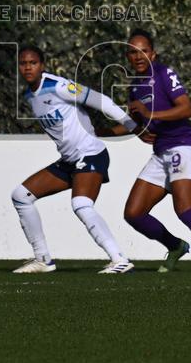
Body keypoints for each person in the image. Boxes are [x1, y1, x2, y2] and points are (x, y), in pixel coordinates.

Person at [99, 30, 191, 274]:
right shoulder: (135, 86)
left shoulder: (163, 73)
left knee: (186, 211)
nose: (138, 56)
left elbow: (186, 109)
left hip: (183, 146)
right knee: (134, 213)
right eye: (132, 52)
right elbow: (136, 124)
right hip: (161, 153)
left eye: (143, 51)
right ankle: (175, 246)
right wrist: (103, 131)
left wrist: (149, 115)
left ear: (153, 53)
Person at [11, 45, 145, 275]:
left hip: (90, 154)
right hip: (69, 161)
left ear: (42, 65)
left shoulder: (59, 86)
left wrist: (133, 126)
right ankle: (43, 260)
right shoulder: (29, 96)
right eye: (23, 63)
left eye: (32, 63)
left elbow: (100, 100)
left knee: (81, 204)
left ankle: (120, 260)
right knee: (21, 196)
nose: (27, 67)